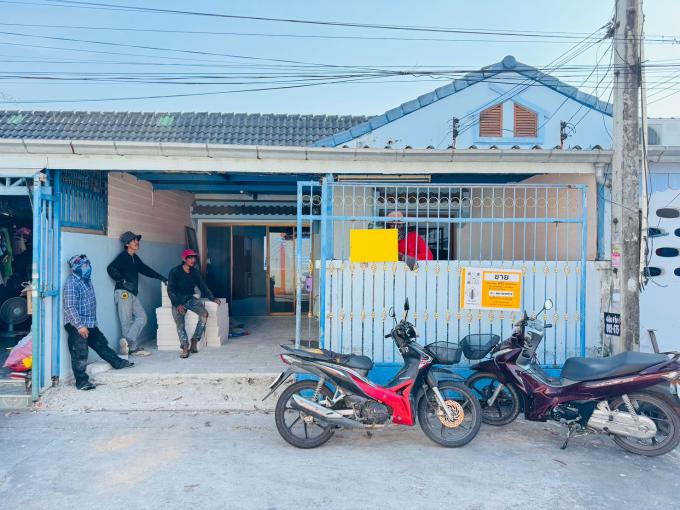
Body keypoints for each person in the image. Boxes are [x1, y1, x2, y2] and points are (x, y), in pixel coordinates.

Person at [63, 254, 134, 391]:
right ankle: (82, 382)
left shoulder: (86, 280)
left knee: (101, 343)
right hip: (77, 325)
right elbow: (70, 307)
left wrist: (91, 323)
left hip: (89, 323)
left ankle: (118, 363)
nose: (88, 268)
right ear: (76, 268)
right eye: (84, 266)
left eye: (88, 264)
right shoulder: (71, 283)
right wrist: (80, 326)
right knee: (80, 353)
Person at [107, 231, 168, 358]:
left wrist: (160, 277)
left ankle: (127, 341)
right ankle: (133, 348)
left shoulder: (134, 257)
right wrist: (122, 280)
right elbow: (111, 268)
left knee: (142, 317)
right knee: (126, 322)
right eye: (134, 241)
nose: (137, 242)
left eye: (137, 240)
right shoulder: (123, 257)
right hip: (123, 293)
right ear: (127, 244)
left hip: (132, 293)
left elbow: (145, 269)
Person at [167, 249, 221, 359]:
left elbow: (203, 286)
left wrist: (212, 298)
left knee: (204, 314)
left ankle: (195, 340)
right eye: (190, 258)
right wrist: (177, 304)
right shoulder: (175, 271)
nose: (193, 260)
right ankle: (185, 347)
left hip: (190, 298)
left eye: (194, 258)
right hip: (178, 300)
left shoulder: (195, 272)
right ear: (184, 259)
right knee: (180, 323)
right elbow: (170, 290)